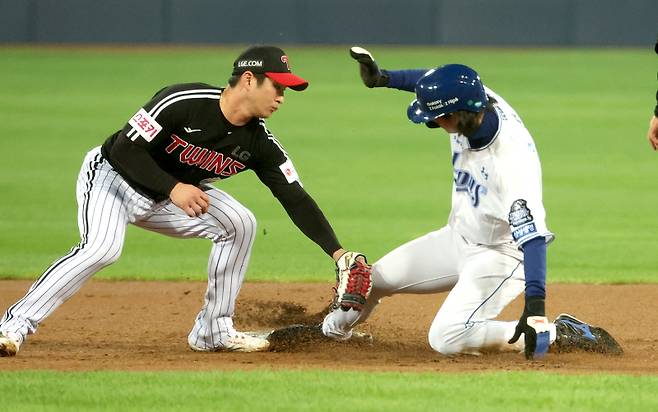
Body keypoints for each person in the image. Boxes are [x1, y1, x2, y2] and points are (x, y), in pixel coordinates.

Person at [0, 46, 371, 357]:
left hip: (168, 199)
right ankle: (13, 326)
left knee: (239, 223)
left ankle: (214, 331)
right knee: (102, 248)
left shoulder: (259, 143)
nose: (281, 98)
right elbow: (126, 148)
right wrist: (174, 187)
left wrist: (337, 253)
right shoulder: (183, 102)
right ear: (247, 80)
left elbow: (294, 197)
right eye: (277, 86)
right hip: (112, 179)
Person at [320, 47, 622, 359]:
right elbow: (429, 79)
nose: (432, 123)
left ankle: (559, 332)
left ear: (455, 115)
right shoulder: (473, 98)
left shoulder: (510, 163)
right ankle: (328, 333)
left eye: (435, 118)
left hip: (501, 255)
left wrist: (535, 308)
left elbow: (533, 240)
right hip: (457, 238)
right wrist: (385, 79)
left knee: (446, 337)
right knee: (373, 279)